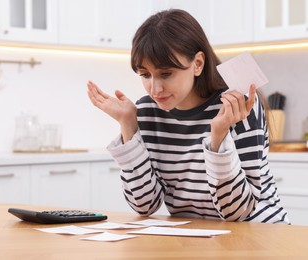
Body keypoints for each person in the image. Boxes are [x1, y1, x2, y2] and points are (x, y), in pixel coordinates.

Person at [87, 9, 289, 224]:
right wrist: (128, 125)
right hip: (195, 237)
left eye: (166, 74)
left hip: (258, 234)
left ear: (198, 64)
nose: (154, 89)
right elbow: (144, 205)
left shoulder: (238, 104)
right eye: (145, 75)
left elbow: (237, 212)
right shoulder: (146, 111)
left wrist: (218, 137)